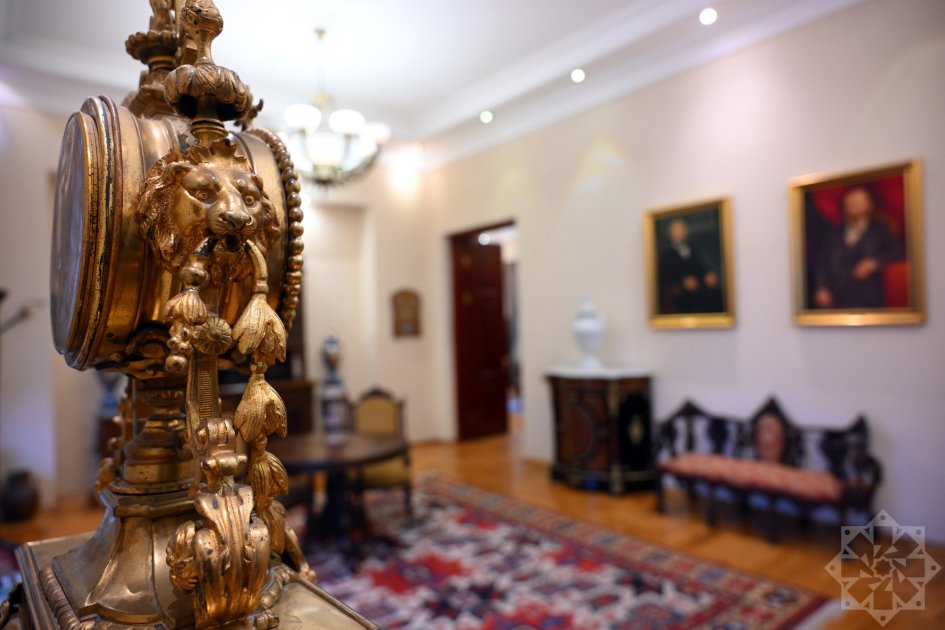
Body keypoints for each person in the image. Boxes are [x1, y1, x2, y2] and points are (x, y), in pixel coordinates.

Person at [812, 186, 900, 309]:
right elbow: (822, 262)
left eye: (858, 202)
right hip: (836, 300)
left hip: (868, 299)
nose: (853, 206)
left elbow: (896, 251)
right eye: (850, 202)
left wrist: (873, 263)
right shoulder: (833, 233)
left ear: (869, 205)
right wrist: (821, 287)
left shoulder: (880, 230)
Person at [657, 218, 723, 314]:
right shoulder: (667, 254)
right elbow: (664, 278)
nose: (681, 232)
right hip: (683, 292)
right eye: (678, 230)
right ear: (671, 233)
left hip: (700, 286)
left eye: (683, 229)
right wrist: (682, 283)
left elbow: (700, 266)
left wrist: (708, 273)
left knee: (716, 294)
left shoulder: (691, 249)